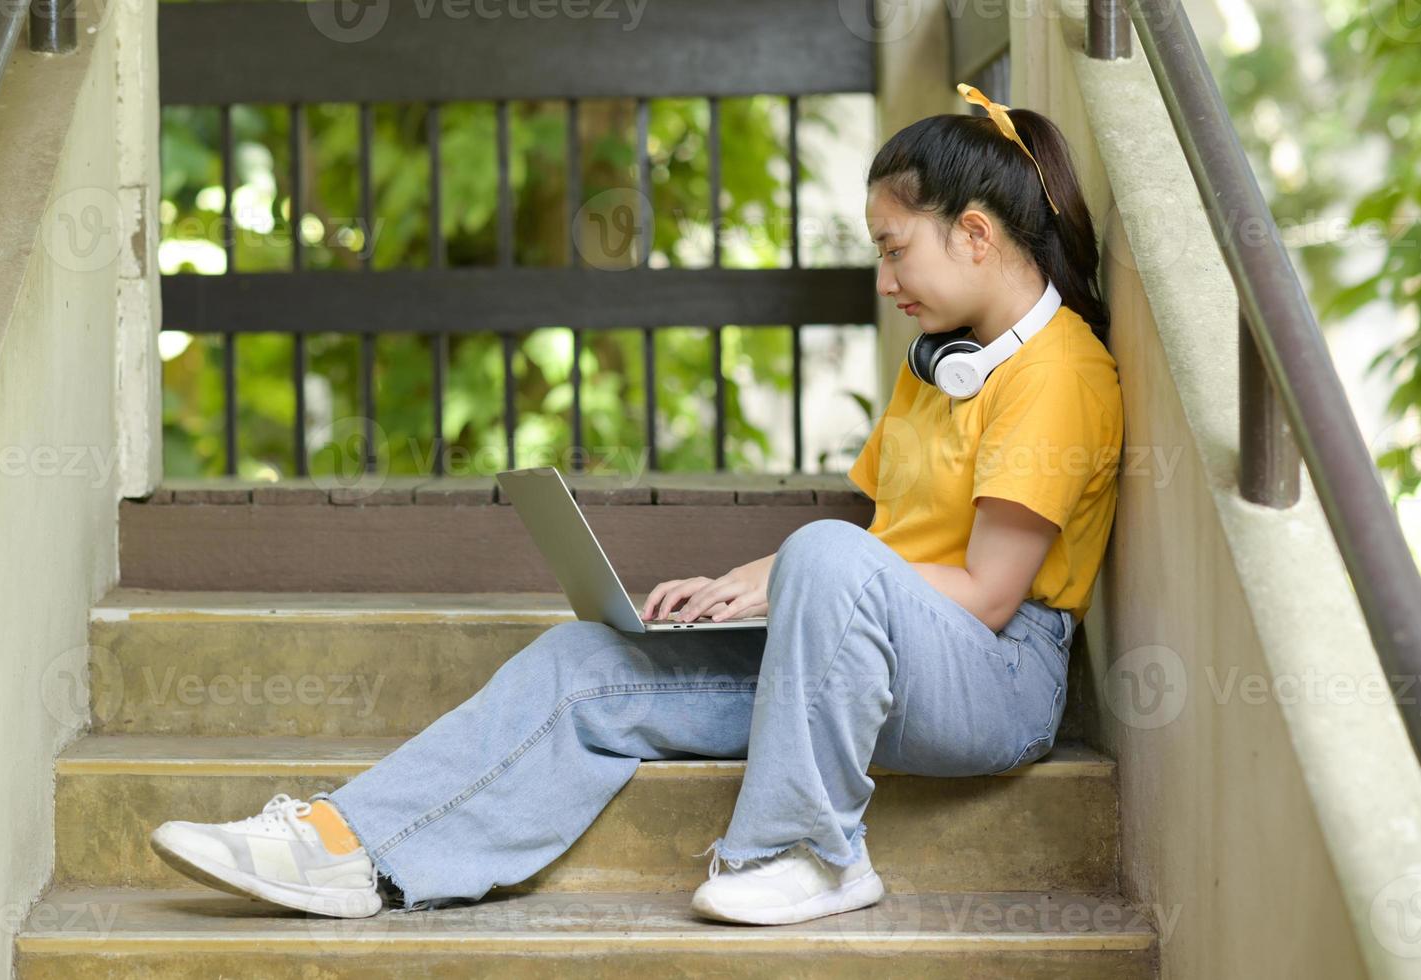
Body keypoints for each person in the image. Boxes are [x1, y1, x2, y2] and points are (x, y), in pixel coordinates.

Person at [148, 85, 1124, 927]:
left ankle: (815, 852)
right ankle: (346, 847)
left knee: (823, 552)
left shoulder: (1059, 374)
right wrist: (744, 587)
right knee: (591, 664)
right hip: (865, 650)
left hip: (992, 679)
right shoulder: (941, 360)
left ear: (978, 233)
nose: (883, 279)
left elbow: (989, 594)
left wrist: (801, 576)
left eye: (894, 249)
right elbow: (881, 544)